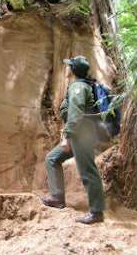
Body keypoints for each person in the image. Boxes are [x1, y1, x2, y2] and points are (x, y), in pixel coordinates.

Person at [40, 55, 106, 224]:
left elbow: (76, 114)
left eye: (69, 66)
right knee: (52, 158)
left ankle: (97, 212)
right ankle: (57, 197)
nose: (66, 68)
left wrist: (67, 136)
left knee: (88, 171)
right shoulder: (79, 85)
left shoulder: (78, 87)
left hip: (81, 133)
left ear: (74, 70)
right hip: (79, 131)